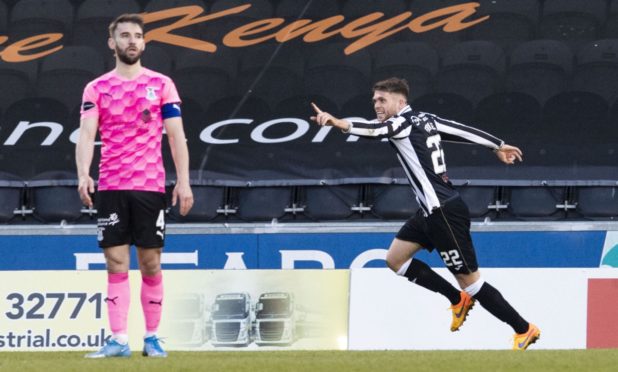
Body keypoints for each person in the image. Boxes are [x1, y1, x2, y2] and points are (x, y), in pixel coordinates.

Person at [310, 77, 540, 351]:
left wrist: (337, 123)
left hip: (444, 213)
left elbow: (373, 130)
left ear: (401, 102)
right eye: (374, 100)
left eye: (382, 100)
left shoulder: (400, 123)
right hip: (429, 212)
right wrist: (497, 144)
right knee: (395, 259)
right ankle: (457, 300)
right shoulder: (425, 119)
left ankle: (523, 329)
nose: (377, 105)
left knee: (471, 282)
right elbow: (461, 130)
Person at [76, 13, 193, 358]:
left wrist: (183, 181)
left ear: (144, 43)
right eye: (124, 35)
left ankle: (153, 337)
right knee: (115, 261)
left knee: (150, 263)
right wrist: (84, 173)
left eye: (137, 36)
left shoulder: (162, 84)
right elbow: (86, 134)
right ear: (112, 43)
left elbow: (176, 137)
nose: (131, 41)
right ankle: (118, 340)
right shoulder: (96, 88)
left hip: (149, 185)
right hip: (111, 184)